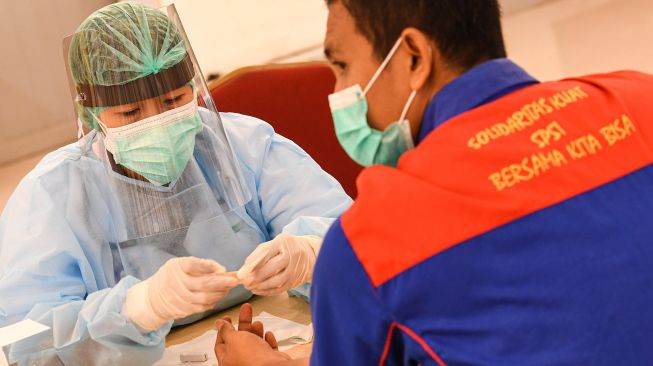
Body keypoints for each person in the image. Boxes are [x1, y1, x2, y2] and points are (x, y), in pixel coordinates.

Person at [213, 0, 653, 365]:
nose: (338, 91)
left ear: (414, 58)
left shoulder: (371, 242)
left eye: (344, 66)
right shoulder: (641, 98)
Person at [0, 2, 351, 365]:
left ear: (192, 86)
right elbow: (28, 341)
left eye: (173, 100)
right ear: (90, 113)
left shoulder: (245, 144)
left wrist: (312, 252)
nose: (159, 123)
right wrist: (138, 308)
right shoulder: (52, 196)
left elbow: (358, 238)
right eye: (130, 113)